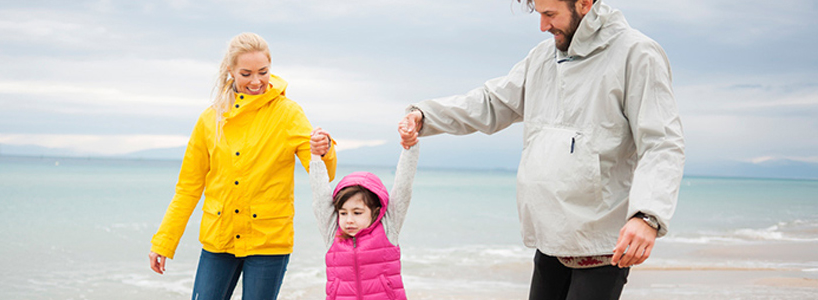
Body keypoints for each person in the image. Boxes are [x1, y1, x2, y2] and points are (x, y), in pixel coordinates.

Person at [398, 0, 685, 299]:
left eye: (550, 14)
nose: (542, 26)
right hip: (550, 239)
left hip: (603, 247)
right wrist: (426, 115)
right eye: (539, 14)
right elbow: (492, 102)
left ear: (585, 3)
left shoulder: (637, 54)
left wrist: (647, 216)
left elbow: (662, 142)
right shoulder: (542, 58)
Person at [148, 32, 337, 300]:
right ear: (231, 71)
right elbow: (188, 189)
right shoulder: (209, 120)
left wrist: (324, 150)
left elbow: (323, 174)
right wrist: (164, 242)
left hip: (268, 241)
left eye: (263, 72)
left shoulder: (288, 114)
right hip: (219, 238)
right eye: (246, 73)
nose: (256, 81)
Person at [309, 124, 419, 300]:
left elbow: (403, 187)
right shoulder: (333, 233)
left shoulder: (388, 229)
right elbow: (320, 196)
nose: (348, 220)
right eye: (343, 213)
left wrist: (410, 147)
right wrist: (315, 156)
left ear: (375, 211)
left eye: (357, 212)